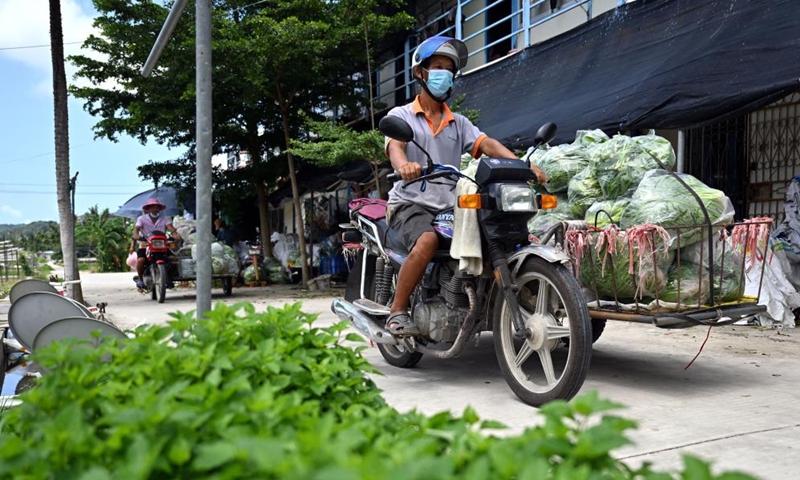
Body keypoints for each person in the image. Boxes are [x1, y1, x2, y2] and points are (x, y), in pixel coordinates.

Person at [384, 36, 547, 335]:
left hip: (449, 205)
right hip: (409, 203)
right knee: (427, 241)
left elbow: (487, 145)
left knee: (495, 232)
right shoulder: (402, 115)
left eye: (449, 68)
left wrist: (522, 166)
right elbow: (396, 145)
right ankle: (397, 310)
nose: (443, 73)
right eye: (437, 67)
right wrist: (403, 166)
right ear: (421, 73)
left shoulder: (458, 122)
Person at [129, 198, 182, 289]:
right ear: (148, 209)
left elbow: (171, 228)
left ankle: (169, 278)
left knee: (173, 259)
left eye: (157, 207)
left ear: (160, 209)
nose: (155, 209)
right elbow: (136, 230)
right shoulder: (141, 219)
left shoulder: (165, 219)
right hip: (146, 245)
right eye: (153, 207)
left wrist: (175, 235)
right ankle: (140, 279)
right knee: (141, 260)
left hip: (162, 244)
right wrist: (137, 236)